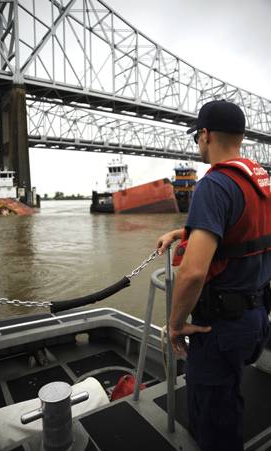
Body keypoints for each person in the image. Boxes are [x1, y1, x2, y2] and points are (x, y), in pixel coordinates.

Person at [156, 100, 271, 451]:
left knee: (216, 421)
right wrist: (185, 232)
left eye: (197, 137)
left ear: (205, 135)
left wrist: (175, 325)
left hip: (218, 327)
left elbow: (192, 274)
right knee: (227, 394)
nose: (197, 144)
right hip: (257, 319)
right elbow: (242, 231)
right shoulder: (261, 179)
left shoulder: (214, 185)